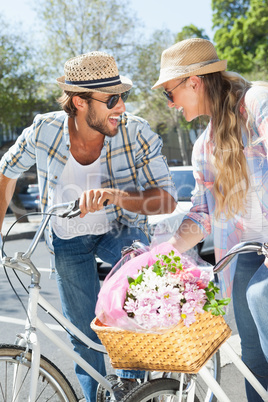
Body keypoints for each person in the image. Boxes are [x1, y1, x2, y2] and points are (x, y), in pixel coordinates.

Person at [0, 51, 177, 401]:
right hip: (66, 240)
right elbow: (6, 172)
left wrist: (117, 196)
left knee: (136, 290)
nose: (121, 107)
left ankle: (133, 390)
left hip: (122, 229)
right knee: (83, 339)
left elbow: (166, 200)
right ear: (79, 101)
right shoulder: (44, 130)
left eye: (122, 97)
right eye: (111, 99)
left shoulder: (136, 132)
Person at [152, 37, 268, 402]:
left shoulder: (258, 103)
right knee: (253, 358)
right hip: (246, 253)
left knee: (261, 297)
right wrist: (162, 254)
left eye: (170, 94)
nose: (170, 105)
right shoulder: (204, 146)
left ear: (194, 82)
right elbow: (203, 213)